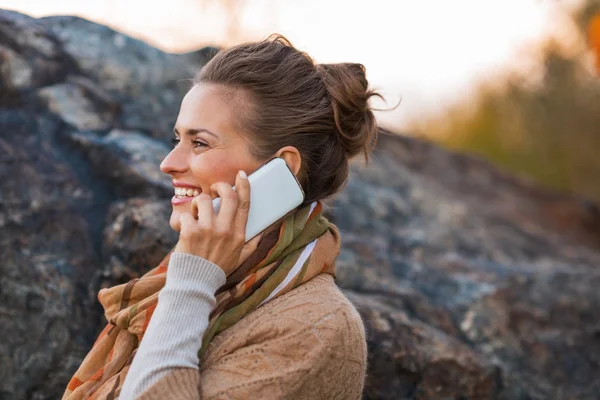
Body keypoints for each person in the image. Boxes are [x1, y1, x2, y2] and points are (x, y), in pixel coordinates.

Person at [63, 34, 380, 400]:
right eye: (176, 139)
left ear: (283, 169)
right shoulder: (199, 284)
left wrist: (191, 281)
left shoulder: (317, 328)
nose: (168, 164)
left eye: (199, 143)